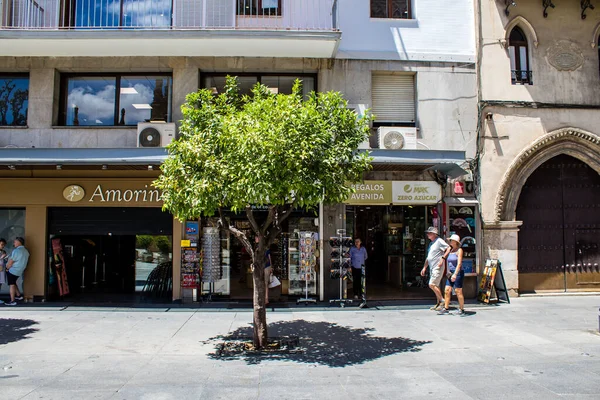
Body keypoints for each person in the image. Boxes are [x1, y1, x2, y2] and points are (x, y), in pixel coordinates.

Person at [421, 227, 450, 311]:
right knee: (436, 285)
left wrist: (443, 258)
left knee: (432, 284)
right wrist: (424, 267)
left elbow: (448, 248)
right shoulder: (431, 243)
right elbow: (429, 257)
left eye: (429, 233)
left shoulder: (439, 241)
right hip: (432, 267)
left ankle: (442, 300)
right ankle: (438, 304)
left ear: (434, 234)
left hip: (437, 267)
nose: (427, 234)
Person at [438, 234, 466, 316]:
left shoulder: (459, 250)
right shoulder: (450, 249)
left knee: (458, 291)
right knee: (447, 290)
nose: (450, 241)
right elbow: (445, 256)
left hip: (457, 272)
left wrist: (455, 274)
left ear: (455, 242)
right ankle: (446, 308)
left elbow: (459, 263)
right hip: (450, 272)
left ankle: (461, 308)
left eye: (451, 240)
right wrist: (441, 261)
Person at [5, 237, 29, 306]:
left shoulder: (16, 251)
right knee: (13, 281)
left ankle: (12, 301)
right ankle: (18, 295)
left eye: (15, 242)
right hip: (19, 271)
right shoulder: (26, 251)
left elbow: (11, 261)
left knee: (11, 284)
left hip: (13, 270)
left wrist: (7, 268)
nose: (14, 243)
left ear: (19, 242)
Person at [0, 238, 7, 305]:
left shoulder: (3, 251)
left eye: (3, 245)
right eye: (2, 244)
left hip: (2, 270)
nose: (3, 246)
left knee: (0, 284)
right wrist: (1, 257)